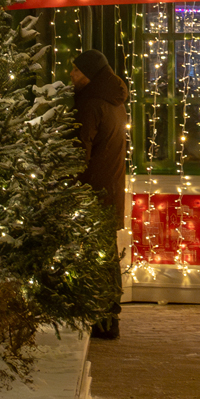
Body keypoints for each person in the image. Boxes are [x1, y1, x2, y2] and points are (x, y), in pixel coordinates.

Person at [71, 49, 130, 341]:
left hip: (92, 193)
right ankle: (108, 317)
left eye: (77, 71)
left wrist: (69, 185)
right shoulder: (115, 102)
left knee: (98, 256)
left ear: (90, 75)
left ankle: (104, 321)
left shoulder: (91, 104)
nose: (72, 76)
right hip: (110, 190)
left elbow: (79, 153)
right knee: (105, 255)